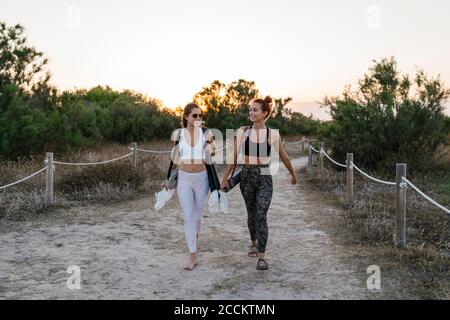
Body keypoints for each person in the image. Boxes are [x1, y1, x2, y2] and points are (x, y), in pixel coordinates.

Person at [220, 96, 297, 270]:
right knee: (252, 213)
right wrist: (224, 179)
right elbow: (233, 158)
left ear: (265, 113)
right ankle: (253, 242)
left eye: (255, 110)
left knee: (261, 214)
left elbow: (284, 157)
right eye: (250, 109)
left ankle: (262, 257)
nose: (251, 112)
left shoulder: (272, 134)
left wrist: (293, 174)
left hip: (264, 176)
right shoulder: (243, 132)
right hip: (246, 175)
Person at [171, 103, 215, 270]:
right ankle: (193, 256)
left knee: (197, 215)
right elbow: (174, 158)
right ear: (186, 117)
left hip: (201, 178)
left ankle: (194, 237)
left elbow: (215, 152)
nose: (198, 118)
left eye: (200, 116)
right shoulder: (179, 134)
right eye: (195, 115)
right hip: (184, 178)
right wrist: (169, 179)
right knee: (189, 216)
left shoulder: (206, 133)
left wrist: (209, 147)